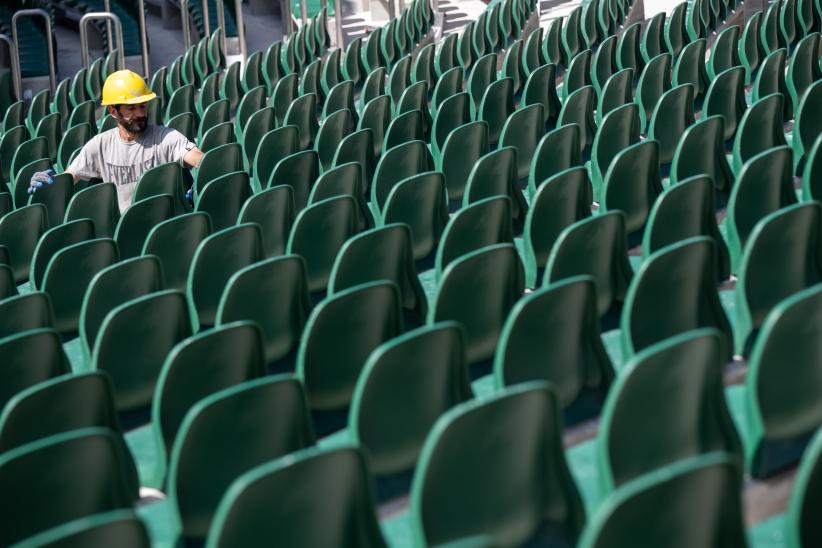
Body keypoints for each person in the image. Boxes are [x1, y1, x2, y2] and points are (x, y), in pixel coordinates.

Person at [28, 69, 204, 213]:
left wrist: (201, 181)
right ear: (113, 111)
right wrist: (45, 183)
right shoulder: (100, 145)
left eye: (143, 105)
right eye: (131, 108)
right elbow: (70, 177)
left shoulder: (165, 137)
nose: (140, 113)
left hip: (164, 224)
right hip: (125, 230)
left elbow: (198, 158)